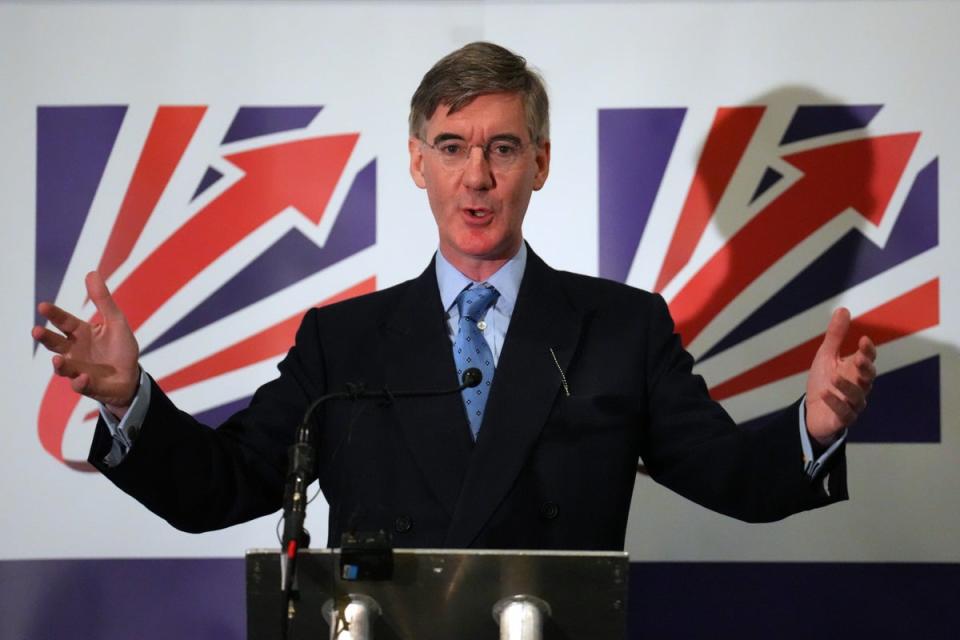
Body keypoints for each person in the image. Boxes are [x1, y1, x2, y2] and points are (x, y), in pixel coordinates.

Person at [32, 42, 876, 550]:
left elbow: (731, 476)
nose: (477, 177)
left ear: (540, 163)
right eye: (452, 146)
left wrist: (815, 428)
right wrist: (130, 404)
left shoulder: (621, 328)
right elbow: (222, 486)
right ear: (416, 162)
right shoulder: (342, 341)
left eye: (503, 148)